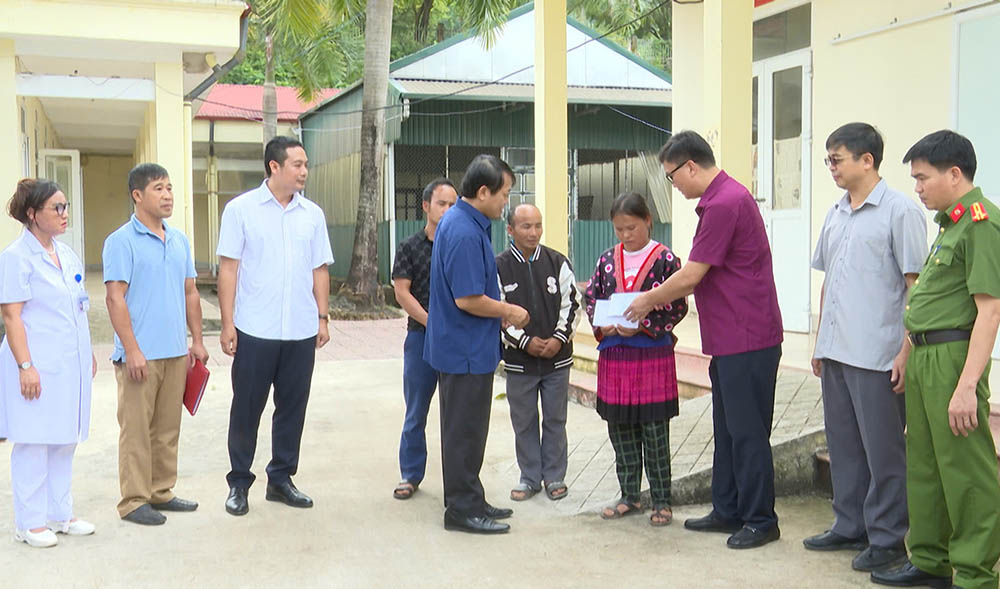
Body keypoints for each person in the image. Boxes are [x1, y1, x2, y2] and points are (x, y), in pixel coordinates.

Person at [624, 130, 784, 549]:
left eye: (674, 178)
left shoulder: (726, 203)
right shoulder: (719, 201)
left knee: (748, 432)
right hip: (730, 337)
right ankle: (728, 508)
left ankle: (760, 519)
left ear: (691, 166)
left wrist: (647, 301)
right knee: (728, 428)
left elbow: (693, 275)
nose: (674, 187)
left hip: (748, 336)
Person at [872, 130, 1000, 589]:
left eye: (923, 178)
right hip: (925, 357)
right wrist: (907, 351)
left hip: (953, 360)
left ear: (954, 173)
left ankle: (974, 573)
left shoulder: (982, 224)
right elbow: (925, 299)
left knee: (965, 470)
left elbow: (989, 312)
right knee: (924, 463)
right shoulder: (950, 224)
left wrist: (967, 385)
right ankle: (929, 559)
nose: (918, 187)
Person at [803, 123, 926, 571]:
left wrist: (906, 350)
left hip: (878, 355)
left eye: (837, 159)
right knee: (844, 445)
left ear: (867, 160)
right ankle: (848, 524)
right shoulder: (836, 212)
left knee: (884, 450)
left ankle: (889, 537)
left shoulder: (900, 212)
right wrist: (819, 342)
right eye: (829, 160)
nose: (832, 168)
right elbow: (828, 281)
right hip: (837, 351)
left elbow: (917, 289)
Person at [217, 136, 334, 516]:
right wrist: (228, 322)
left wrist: (322, 316)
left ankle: (281, 479)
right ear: (274, 167)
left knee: (292, 408)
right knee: (247, 408)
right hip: (255, 329)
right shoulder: (241, 210)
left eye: (305, 164)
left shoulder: (312, 214)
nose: (304, 171)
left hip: (300, 330)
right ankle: (239, 483)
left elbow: (319, 268)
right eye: (297, 164)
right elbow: (229, 268)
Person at [424, 154, 529, 534]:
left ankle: (471, 496)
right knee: (463, 432)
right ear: (483, 191)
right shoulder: (466, 231)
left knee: (467, 430)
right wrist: (509, 311)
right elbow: (467, 298)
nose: (506, 202)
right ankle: (462, 511)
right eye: (503, 194)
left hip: (465, 347)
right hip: (463, 350)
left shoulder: (466, 222)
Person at [103, 163, 208, 526]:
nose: (168, 195)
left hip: (176, 353)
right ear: (138, 195)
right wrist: (131, 348)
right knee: (136, 430)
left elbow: (190, 292)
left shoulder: (179, 240)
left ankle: (161, 492)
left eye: (170, 187)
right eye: (159, 189)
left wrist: (196, 340)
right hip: (139, 356)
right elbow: (115, 299)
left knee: (167, 429)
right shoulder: (121, 241)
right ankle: (133, 501)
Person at [0, 179, 97, 547]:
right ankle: (29, 522)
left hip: (68, 365)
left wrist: (85, 354)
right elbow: (12, 316)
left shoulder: (66, 254)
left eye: (65, 205)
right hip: (34, 365)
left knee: (63, 439)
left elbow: (78, 307)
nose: (64, 213)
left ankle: (60, 514)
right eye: (56, 207)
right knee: (33, 442)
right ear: (32, 213)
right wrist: (26, 366)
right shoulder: (15, 257)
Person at [582, 193, 687, 527]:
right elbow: (592, 300)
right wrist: (604, 323)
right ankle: (630, 496)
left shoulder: (666, 260)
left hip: (652, 355)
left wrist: (645, 324)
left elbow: (678, 304)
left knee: (655, 429)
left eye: (632, 227)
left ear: (648, 221)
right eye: (619, 229)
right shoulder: (605, 261)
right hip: (615, 354)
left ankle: (661, 500)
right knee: (621, 428)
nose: (626, 235)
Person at [496, 203, 580, 503]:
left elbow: (572, 304)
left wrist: (558, 338)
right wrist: (525, 342)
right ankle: (530, 477)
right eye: (526, 226)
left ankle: (555, 476)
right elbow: (497, 314)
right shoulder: (499, 266)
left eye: (537, 226)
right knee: (525, 421)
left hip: (557, 360)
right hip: (520, 362)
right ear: (510, 230)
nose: (533, 233)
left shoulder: (557, 262)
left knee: (555, 419)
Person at [391, 178, 457, 500]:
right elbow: (402, 293)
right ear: (426, 206)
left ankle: (456, 479)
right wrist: (432, 323)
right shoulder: (409, 246)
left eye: (453, 204)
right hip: (421, 338)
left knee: (455, 413)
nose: (447, 210)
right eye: (442, 203)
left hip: (457, 342)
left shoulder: (461, 244)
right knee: (416, 410)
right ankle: (410, 474)